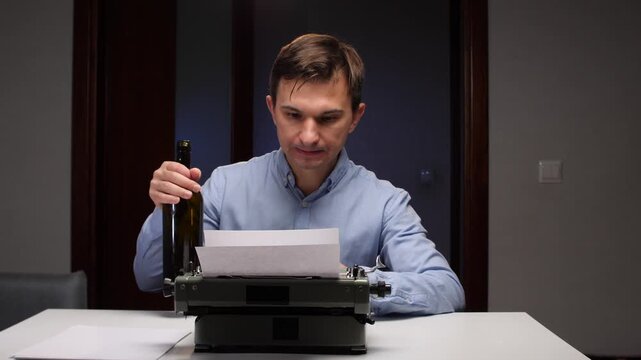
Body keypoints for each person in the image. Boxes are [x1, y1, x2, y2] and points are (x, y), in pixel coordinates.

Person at [134, 33, 464, 316]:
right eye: (293, 114)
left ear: (354, 118)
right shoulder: (224, 186)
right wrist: (166, 207)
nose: (308, 136)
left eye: (328, 118)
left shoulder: (385, 203)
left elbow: (447, 290)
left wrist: (351, 279)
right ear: (272, 110)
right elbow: (150, 278)